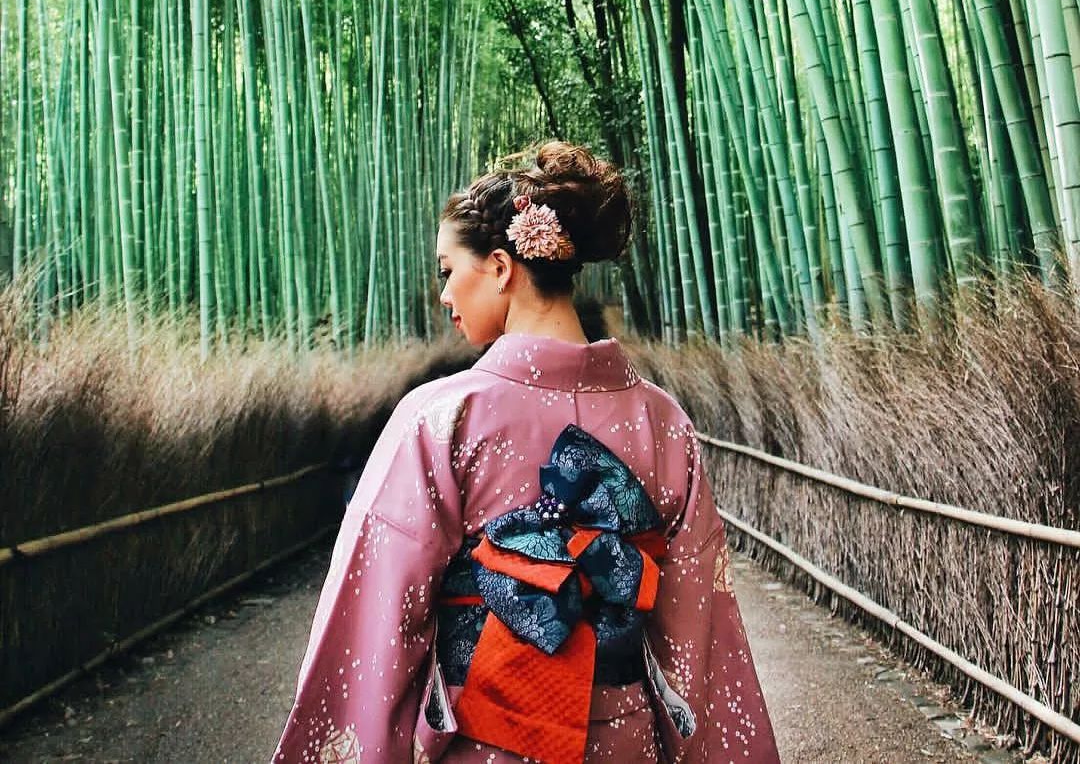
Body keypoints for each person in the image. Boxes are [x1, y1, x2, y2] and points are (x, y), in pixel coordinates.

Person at [271, 142, 780, 764]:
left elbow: (380, 618)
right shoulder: (664, 422)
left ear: (502, 268)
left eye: (446, 270)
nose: (443, 295)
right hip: (625, 740)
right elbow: (697, 632)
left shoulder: (441, 417)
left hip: (485, 741)